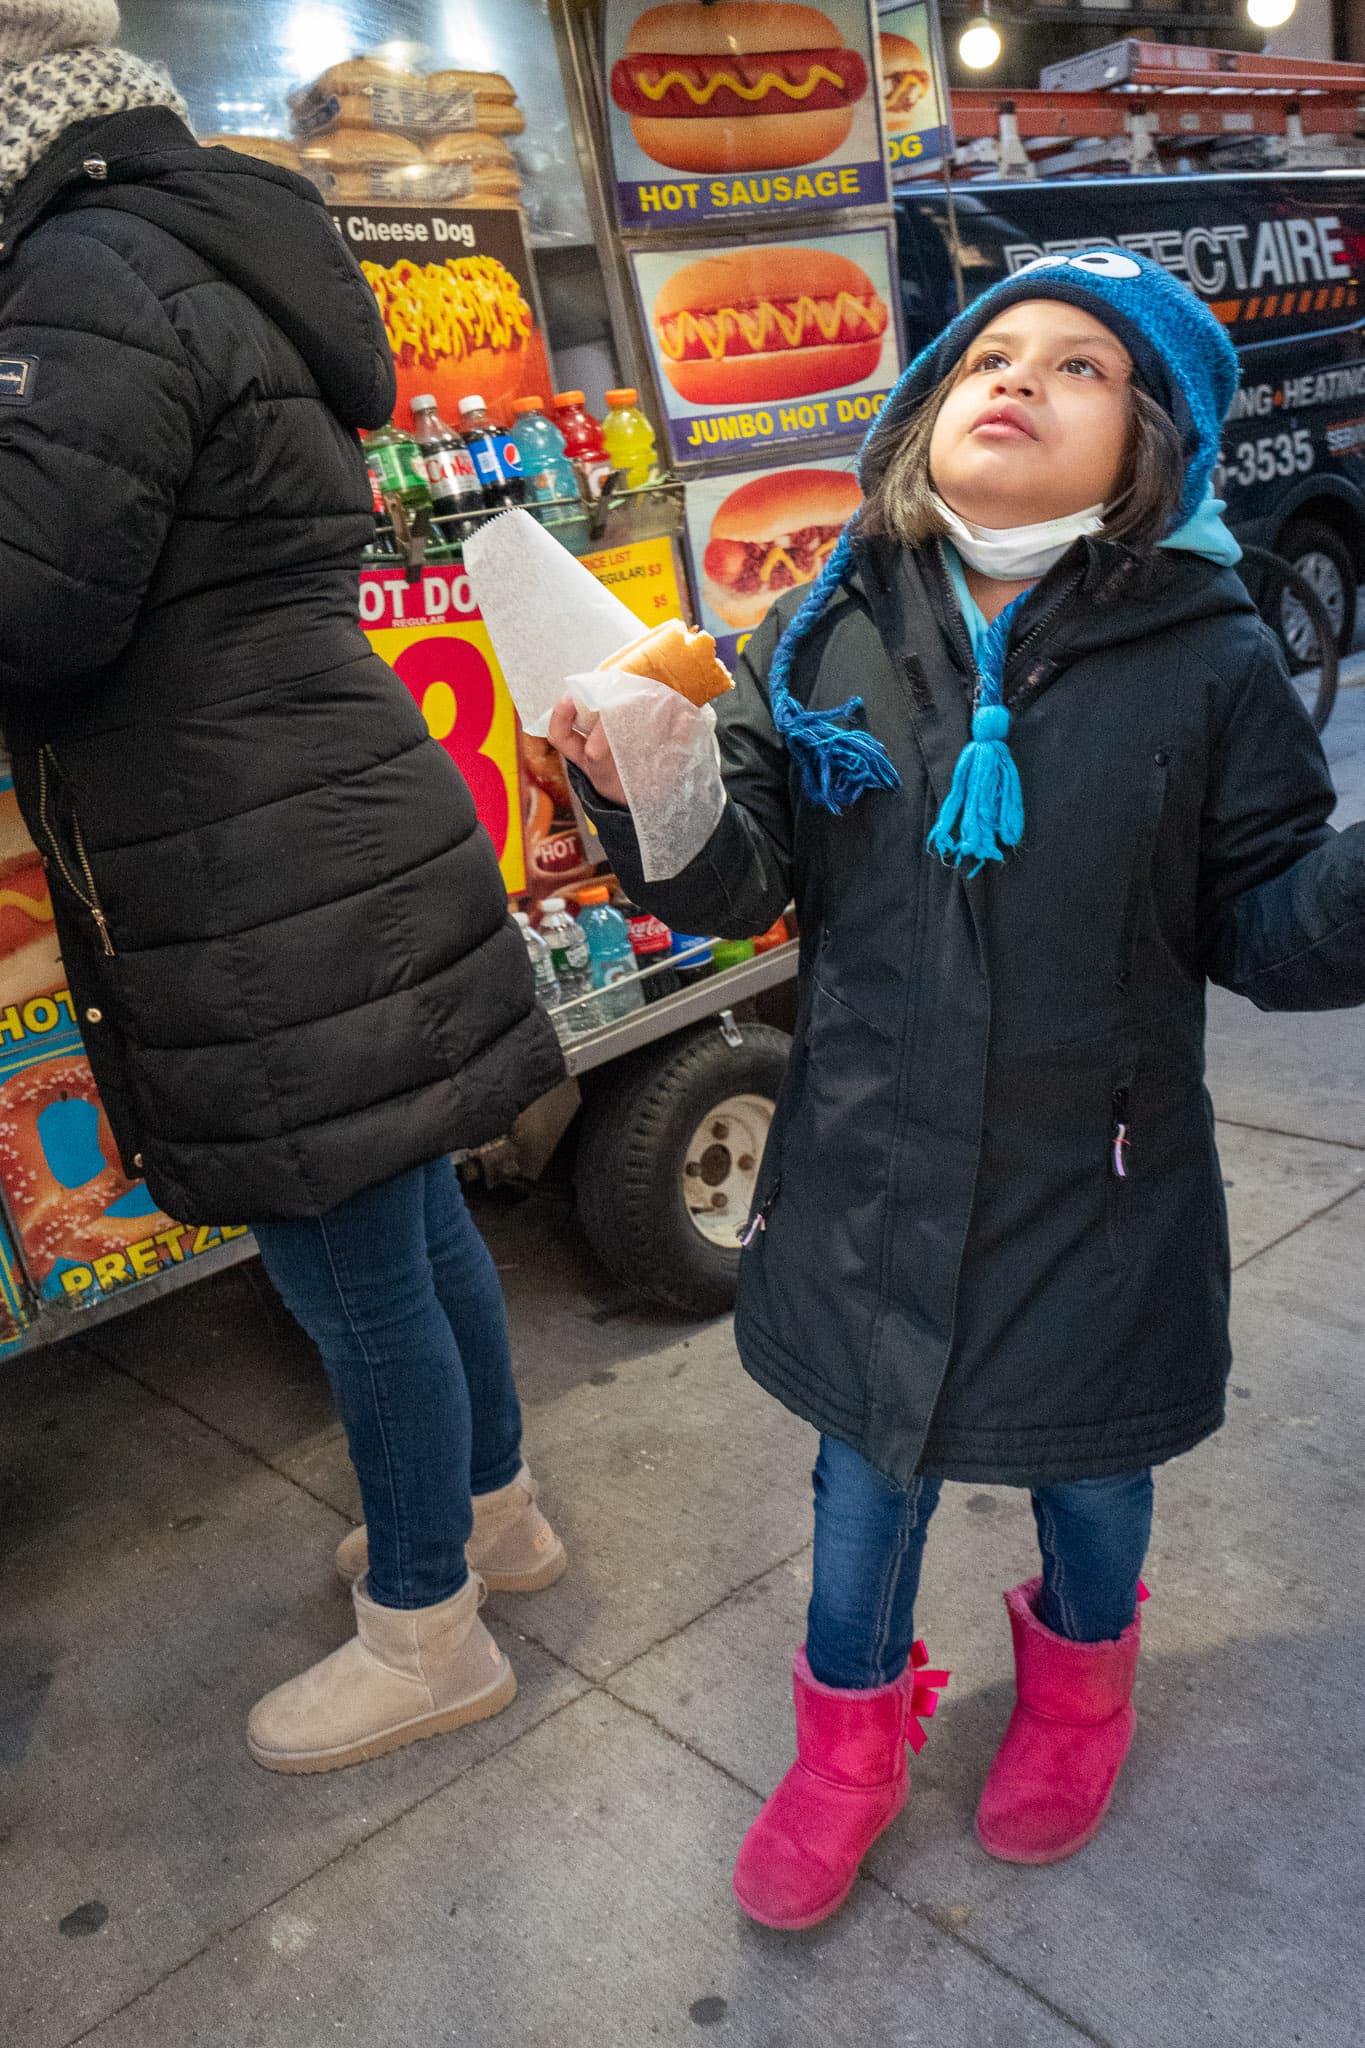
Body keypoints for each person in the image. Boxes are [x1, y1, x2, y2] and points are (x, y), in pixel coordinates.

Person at [554, 251, 1365, 1927]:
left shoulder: (1206, 660)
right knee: (864, 1476)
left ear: (1153, 447)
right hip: (863, 1170)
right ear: (929, 411)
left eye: (1080, 367)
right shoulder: (822, 621)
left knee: (1089, 1465)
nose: (1017, 378)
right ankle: (845, 1747)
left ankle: (1079, 1695)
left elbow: (1268, 928)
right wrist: (649, 786)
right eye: (989, 354)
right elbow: (742, 880)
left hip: (1104, 1180)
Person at [0, 2, 568, 1773]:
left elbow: (31, 604)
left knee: (350, 1272)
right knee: (404, 1219)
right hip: (309, 809)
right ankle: (495, 1521)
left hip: (244, 859)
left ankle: (427, 1635)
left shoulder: (85, 273)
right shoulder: (209, 237)